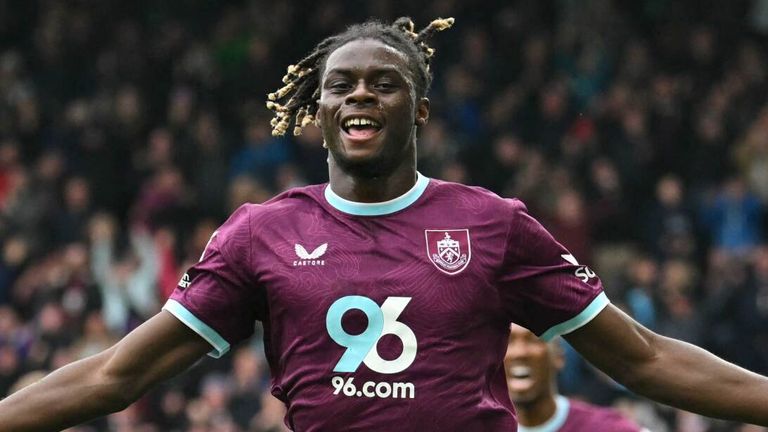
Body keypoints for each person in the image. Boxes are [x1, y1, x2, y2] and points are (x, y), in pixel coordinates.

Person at [1, 16, 767, 432]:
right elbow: (117, 373)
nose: (360, 95)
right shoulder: (258, 234)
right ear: (321, 110)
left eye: (384, 83)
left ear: (419, 111)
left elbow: (645, 359)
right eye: (342, 85)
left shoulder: (492, 224)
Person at [505, 323, 645, 431]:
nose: (519, 353)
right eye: (507, 342)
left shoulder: (608, 428)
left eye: (533, 340)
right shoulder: (484, 426)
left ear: (559, 357)